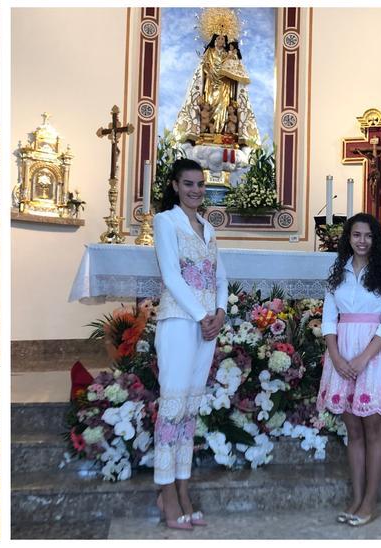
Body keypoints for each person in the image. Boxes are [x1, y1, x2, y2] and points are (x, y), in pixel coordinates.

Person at [150, 158, 229, 531]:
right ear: (175, 185)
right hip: (180, 322)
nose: (196, 190)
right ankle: (166, 494)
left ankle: (184, 488)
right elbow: (171, 275)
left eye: (200, 184)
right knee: (173, 405)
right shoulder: (166, 222)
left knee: (189, 410)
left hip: (206, 326)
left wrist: (221, 312)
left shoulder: (208, 228)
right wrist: (202, 315)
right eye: (188, 184)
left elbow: (221, 276)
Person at [317, 212, 381, 527]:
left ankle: (370, 501)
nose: (362, 241)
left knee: (373, 429)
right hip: (342, 356)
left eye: (368, 235)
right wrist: (337, 357)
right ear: (348, 238)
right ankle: (355, 498)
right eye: (356, 235)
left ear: (376, 239)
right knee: (352, 431)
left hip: (375, 355)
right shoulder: (337, 274)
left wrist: (362, 359)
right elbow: (329, 320)